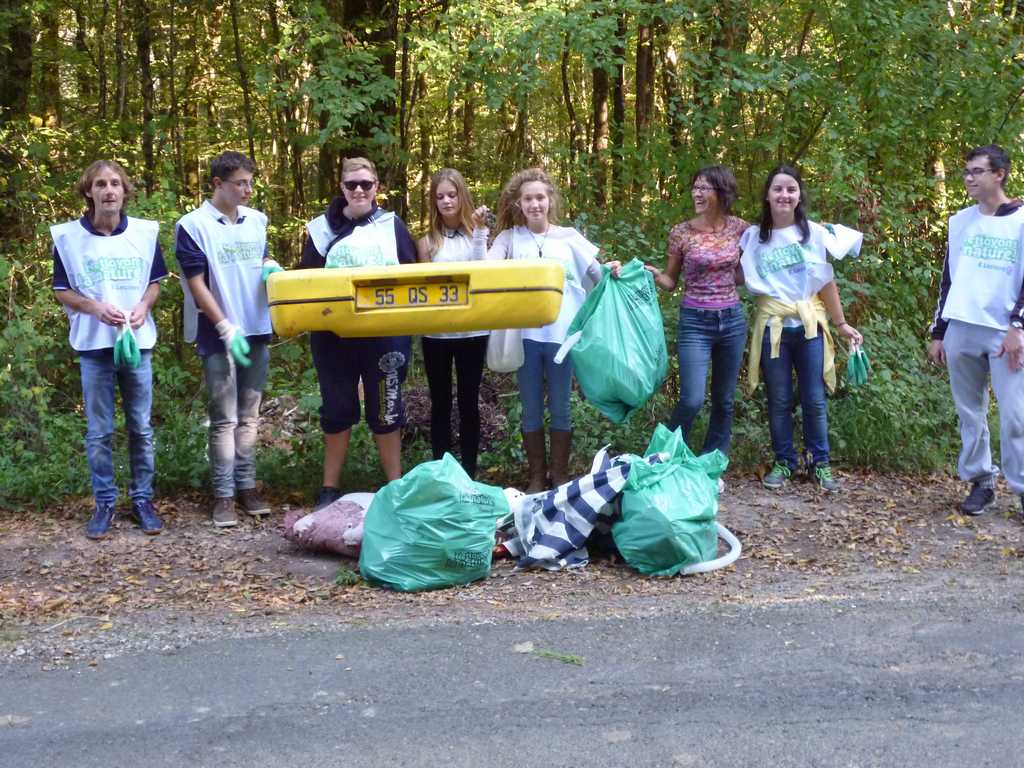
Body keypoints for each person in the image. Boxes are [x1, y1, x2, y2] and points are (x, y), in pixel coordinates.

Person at [474, 167, 617, 492]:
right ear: (519, 204)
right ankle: (537, 477)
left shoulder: (568, 237)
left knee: (561, 407)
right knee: (531, 409)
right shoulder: (510, 239)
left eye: (540, 197)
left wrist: (615, 269)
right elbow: (484, 271)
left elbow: (598, 275)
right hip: (524, 339)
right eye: (528, 199)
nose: (535, 204)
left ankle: (560, 475)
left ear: (550, 199)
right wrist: (480, 233)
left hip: (562, 338)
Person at [51, 160, 166, 539]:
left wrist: (143, 308)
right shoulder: (68, 239)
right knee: (99, 431)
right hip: (94, 346)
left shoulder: (145, 234)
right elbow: (61, 289)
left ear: (125, 190)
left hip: (138, 343)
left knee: (142, 428)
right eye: (100, 184)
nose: (109, 190)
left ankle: (143, 500)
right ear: (89, 192)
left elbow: (155, 282)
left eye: (116, 183)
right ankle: (104, 503)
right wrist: (95, 307)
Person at [300, 157, 418, 511]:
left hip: (385, 334)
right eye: (352, 184)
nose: (359, 190)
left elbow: (413, 276)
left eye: (365, 184)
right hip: (333, 334)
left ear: (377, 187)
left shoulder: (391, 225)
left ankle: (394, 487)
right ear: (342, 188)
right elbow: (305, 279)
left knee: (387, 409)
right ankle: (329, 489)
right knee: (337, 407)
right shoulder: (321, 229)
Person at [739, 165, 863, 492]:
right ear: (767, 195)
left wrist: (842, 324)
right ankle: (784, 462)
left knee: (814, 398)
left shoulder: (814, 233)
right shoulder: (753, 238)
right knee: (779, 399)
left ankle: (819, 464)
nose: (784, 195)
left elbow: (827, 283)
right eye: (778, 189)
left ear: (799, 195)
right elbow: (732, 273)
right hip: (773, 328)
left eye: (791, 189)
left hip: (810, 327)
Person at [176, 151, 279, 528]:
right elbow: (196, 283)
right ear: (218, 184)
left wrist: (271, 268)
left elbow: (262, 258)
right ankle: (223, 495)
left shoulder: (258, 220)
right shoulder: (193, 225)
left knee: (250, 416)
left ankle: (247, 486)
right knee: (224, 417)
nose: (248, 190)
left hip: (256, 328)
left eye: (250, 182)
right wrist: (223, 326)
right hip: (219, 333)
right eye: (240, 183)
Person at [928, 144, 1024, 516]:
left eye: (977, 171)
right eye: (966, 171)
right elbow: (949, 279)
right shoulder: (960, 221)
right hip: (962, 327)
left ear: (999, 174)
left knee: (1015, 415)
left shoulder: (1020, 220)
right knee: (970, 411)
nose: (969, 178)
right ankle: (981, 480)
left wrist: (1018, 326)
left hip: (1005, 331)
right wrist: (940, 332)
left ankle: (1020, 486)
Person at [646, 165, 748, 460]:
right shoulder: (681, 233)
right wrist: (651, 273)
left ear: (721, 193)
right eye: (695, 187)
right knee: (691, 399)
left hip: (731, 320)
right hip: (695, 322)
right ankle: (666, 457)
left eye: (705, 188)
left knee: (724, 400)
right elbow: (669, 281)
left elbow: (747, 271)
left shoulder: (740, 229)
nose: (698, 193)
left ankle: (711, 460)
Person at [416, 168, 489, 479]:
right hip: (437, 333)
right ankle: (442, 474)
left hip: (474, 330)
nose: (446, 201)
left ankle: (470, 474)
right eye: (440, 196)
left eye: (452, 194)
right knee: (441, 403)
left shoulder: (479, 234)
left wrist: (480, 230)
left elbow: (481, 273)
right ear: (433, 201)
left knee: (469, 402)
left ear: (462, 196)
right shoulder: (427, 242)